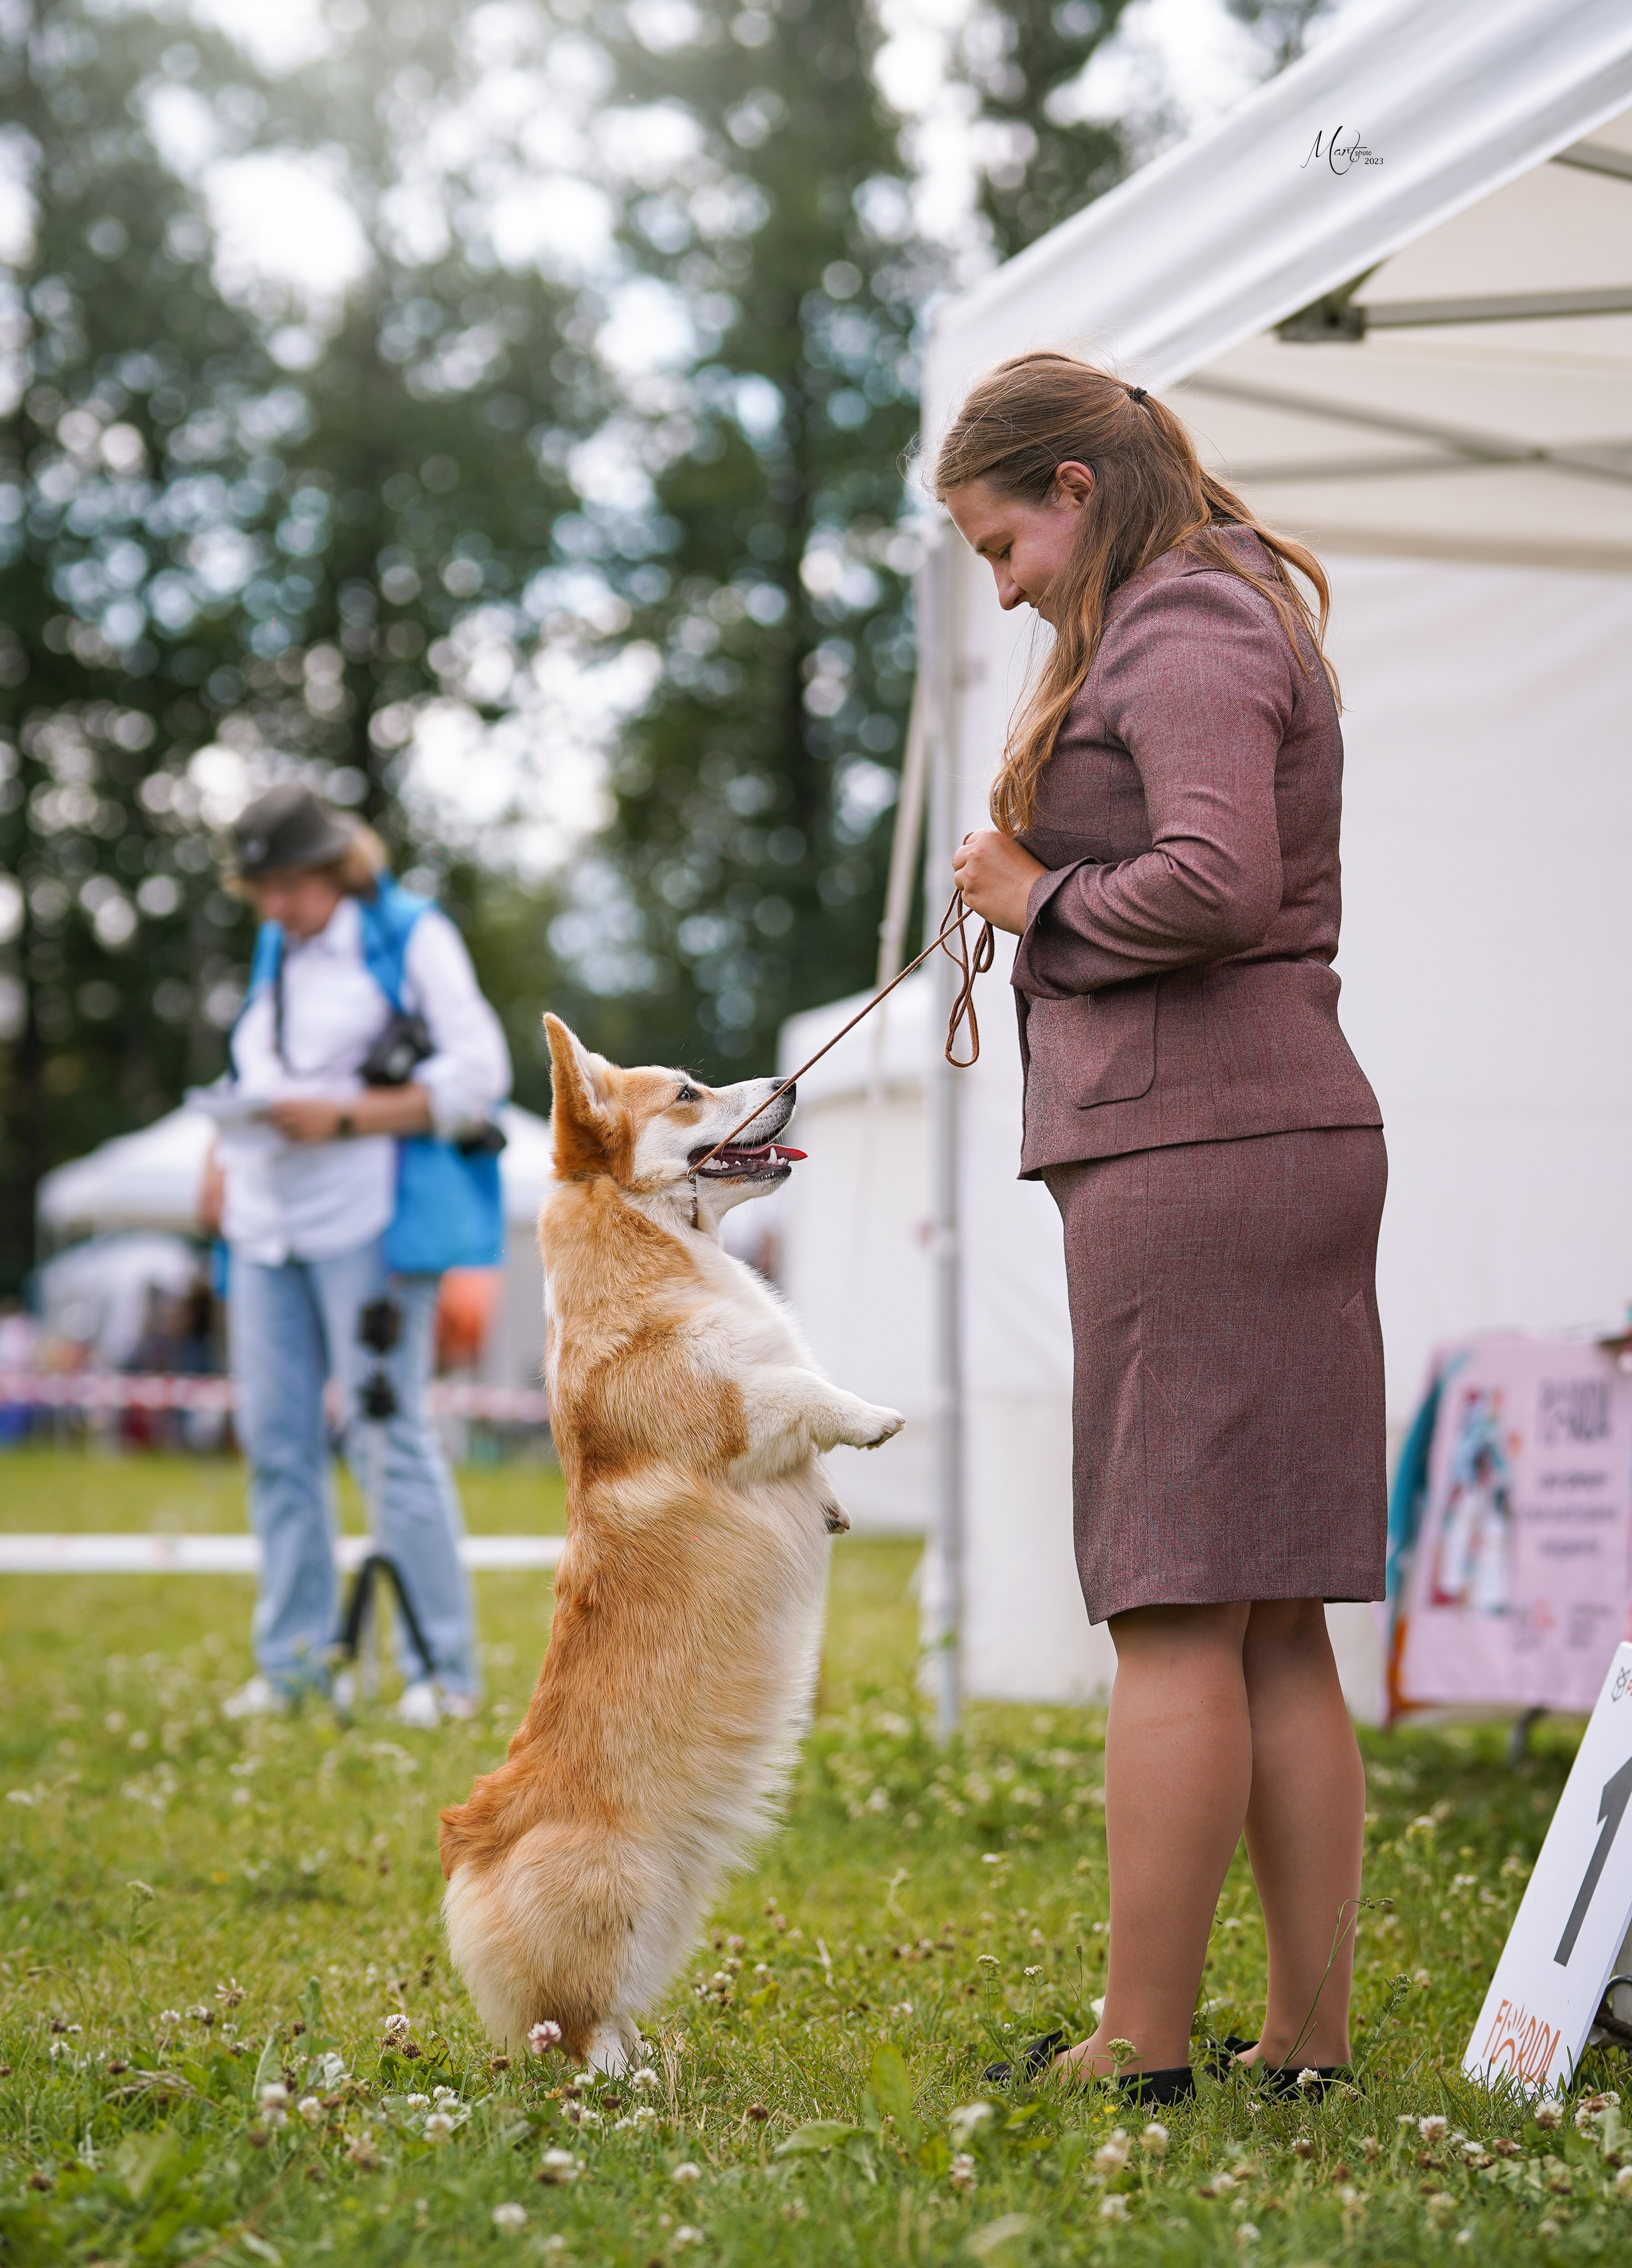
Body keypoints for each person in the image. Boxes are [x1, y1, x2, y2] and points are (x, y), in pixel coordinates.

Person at [938, 353, 1387, 2100]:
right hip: (1252, 1140)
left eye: (1003, 544)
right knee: (1266, 1617)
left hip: (1202, 1150)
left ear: (1073, 486)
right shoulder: (1207, 609)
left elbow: (1218, 877)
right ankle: (1303, 2041)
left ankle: (1138, 2044)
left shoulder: (1183, 626)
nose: (1002, 588)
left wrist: (1033, 894)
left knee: (1176, 1607)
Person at [206, 784, 511, 1728]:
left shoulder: (412, 934)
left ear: (334, 867)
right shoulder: (278, 948)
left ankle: (442, 1671)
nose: (273, 905)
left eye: (288, 885)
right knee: (276, 1443)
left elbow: (479, 1077)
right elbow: (259, 1070)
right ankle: (295, 1666)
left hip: (369, 1224)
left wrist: (346, 1116)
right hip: (268, 1226)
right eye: (260, 889)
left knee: (387, 1438)